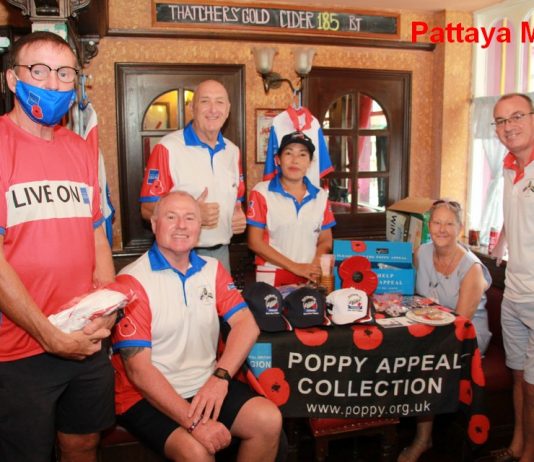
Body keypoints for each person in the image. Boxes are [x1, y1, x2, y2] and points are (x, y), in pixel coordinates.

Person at [0, 32, 116, 462]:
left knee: (83, 443)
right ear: (13, 79)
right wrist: (49, 336)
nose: (53, 83)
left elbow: (97, 234)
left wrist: (107, 309)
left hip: (85, 338)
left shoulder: (79, 148)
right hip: (18, 348)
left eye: (64, 73)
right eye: (39, 71)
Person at [112, 191, 282, 462]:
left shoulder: (212, 269)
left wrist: (220, 378)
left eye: (190, 218)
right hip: (144, 395)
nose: (181, 225)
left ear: (199, 227)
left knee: (268, 420)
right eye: (171, 217)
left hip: (204, 383)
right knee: (196, 451)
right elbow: (139, 371)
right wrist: (195, 424)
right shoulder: (131, 281)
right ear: (154, 224)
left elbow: (246, 325)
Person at [399, 199, 492, 462]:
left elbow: (460, 326)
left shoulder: (472, 269)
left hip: (466, 336)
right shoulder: (422, 252)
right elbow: (411, 295)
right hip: (431, 327)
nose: (442, 229)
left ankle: (422, 439)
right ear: (429, 226)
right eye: (437, 222)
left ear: (460, 228)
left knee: (425, 361)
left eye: (449, 224)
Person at [139, 79, 246, 272]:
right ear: (192, 108)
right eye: (205, 101)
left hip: (222, 254)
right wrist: (193, 214)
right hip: (179, 254)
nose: (213, 109)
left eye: (220, 102)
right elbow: (147, 209)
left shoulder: (233, 151)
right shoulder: (168, 147)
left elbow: (237, 199)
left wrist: (238, 214)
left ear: (228, 109)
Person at [480, 93, 534, 462]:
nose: (508, 126)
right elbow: (517, 214)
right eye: (500, 121)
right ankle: (516, 446)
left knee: (531, 386)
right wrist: (501, 242)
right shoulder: (509, 166)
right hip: (513, 291)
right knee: (517, 376)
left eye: (516, 117)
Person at [246, 131, 336, 287]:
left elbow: (325, 239)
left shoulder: (320, 196)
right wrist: (296, 267)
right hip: (272, 274)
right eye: (288, 153)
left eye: (302, 155)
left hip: (309, 275)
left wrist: (315, 263)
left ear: (310, 162)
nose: (295, 160)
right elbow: (255, 242)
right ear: (278, 160)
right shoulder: (261, 192)